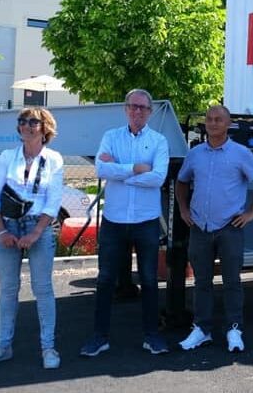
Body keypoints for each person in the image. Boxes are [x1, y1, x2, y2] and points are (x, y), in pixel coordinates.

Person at [80, 89, 170, 357]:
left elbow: (158, 178)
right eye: (133, 106)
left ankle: (152, 336)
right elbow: (101, 169)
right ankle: (99, 337)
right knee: (105, 279)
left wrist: (119, 171)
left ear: (150, 112)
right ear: (125, 109)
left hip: (146, 221)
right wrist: (135, 168)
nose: (137, 111)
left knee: (149, 280)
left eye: (143, 107)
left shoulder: (159, 141)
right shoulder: (111, 137)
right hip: (114, 220)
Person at [175, 105, 253, 352]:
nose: (213, 123)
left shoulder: (241, 153)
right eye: (209, 119)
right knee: (202, 282)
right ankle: (201, 329)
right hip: (200, 227)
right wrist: (183, 210)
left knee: (232, 282)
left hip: (229, 227)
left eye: (218, 119)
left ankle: (234, 330)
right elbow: (182, 181)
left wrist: (251, 213)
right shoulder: (195, 154)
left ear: (228, 124)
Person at [0, 108, 64, 369]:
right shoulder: (7, 156)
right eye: (22, 121)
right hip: (8, 224)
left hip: (38, 225)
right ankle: (3, 346)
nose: (26, 125)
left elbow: (53, 202)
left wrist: (36, 232)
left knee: (42, 288)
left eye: (32, 122)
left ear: (45, 128)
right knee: (8, 289)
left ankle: (48, 348)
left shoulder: (54, 159)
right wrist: (1, 230)